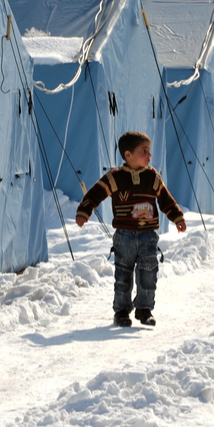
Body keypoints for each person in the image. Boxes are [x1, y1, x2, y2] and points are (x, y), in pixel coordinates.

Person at [75, 131, 186, 327]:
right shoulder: (115, 177)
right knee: (123, 273)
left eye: (149, 151)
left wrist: (177, 217)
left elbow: (166, 200)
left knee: (148, 271)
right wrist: (85, 211)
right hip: (124, 236)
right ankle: (122, 311)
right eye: (144, 151)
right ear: (128, 155)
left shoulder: (153, 177)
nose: (149, 155)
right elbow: (96, 194)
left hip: (148, 236)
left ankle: (144, 309)